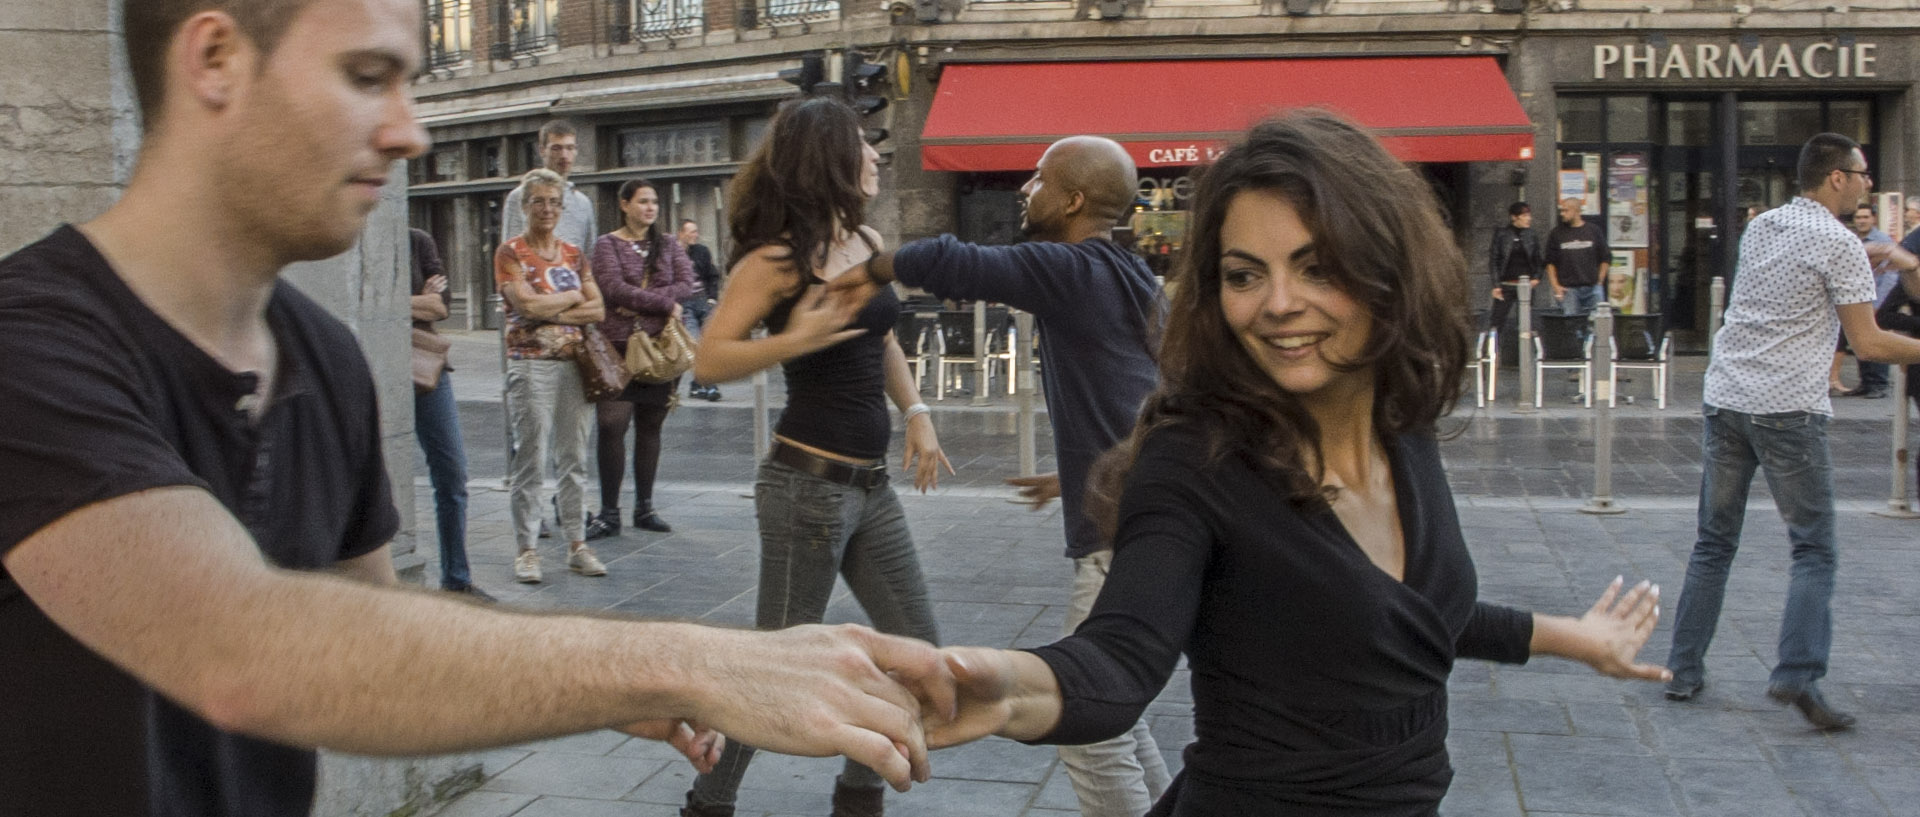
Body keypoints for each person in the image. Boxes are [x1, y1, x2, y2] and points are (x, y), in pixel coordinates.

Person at [0, 2, 955, 815]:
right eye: (368, 76)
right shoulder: (31, 342)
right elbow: (240, 647)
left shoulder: (324, 354)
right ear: (214, 59)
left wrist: (581, 686)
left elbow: (368, 637)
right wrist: (681, 665)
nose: (410, 129)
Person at [918, 112, 1669, 817]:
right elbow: (1120, 655)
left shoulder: (1399, 427)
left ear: (1388, 270)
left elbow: (1395, 614)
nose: (1278, 302)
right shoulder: (1193, 457)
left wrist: (1576, 638)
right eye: (1244, 275)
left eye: (1316, 268)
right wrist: (1007, 690)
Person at [850, 136, 1170, 817]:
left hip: (1122, 536)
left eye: (1038, 178)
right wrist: (1083, 469)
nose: (1026, 188)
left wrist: (862, 269)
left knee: (1085, 722)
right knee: (1115, 702)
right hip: (1146, 513)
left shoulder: (1072, 267)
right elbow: (1158, 395)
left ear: (1074, 200)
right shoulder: (1130, 273)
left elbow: (953, 263)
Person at [683, 96, 954, 817]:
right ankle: (707, 803)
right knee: (774, 665)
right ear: (830, 158)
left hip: (870, 488)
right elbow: (709, 358)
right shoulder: (776, 258)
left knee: (917, 648)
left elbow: (884, 338)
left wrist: (918, 415)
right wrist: (792, 342)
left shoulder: (864, 238)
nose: (874, 155)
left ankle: (859, 794)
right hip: (806, 487)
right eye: (863, 144)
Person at [1664, 132, 1920, 730]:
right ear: (1836, 177)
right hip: (1786, 409)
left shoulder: (1766, 226)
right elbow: (1869, 343)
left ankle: (1683, 669)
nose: (1866, 184)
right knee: (1813, 548)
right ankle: (1797, 675)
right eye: (1861, 174)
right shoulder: (1840, 243)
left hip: (1727, 396)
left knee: (1713, 542)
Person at [588, 179, 694, 540]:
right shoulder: (606, 245)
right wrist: (664, 303)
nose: (650, 208)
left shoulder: (668, 245)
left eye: (654, 202)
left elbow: (688, 284)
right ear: (624, 204)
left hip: (660, 349)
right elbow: (612, 287)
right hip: (617, 348)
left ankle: (645, 507)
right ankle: (609, 512)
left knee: (651, 427)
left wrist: (641, 300)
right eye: (642, 201)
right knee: (611, 425)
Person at [410, 227, 492, 601]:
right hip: (372, 366)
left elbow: (440, 307)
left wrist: (392, 303)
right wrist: (416, 301)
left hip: (425, 365)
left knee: (452, 472)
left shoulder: (418, 240)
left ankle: (456, 579)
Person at [503, 119, 595, 253]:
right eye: (556, 148)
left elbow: (589, 255)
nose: (564, 155)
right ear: (542, 150)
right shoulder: (520, 196)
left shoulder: (582, 203)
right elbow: (510, 251)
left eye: (569, 148)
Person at [1834, 203, 1897, 398]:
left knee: (1877, 340)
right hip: (1859, 300)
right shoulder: (1854, 239)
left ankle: (1879, 384)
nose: (1861, 221)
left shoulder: (1881, 241)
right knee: (1860, 340)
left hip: (1876, 300)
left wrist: (1880, 304)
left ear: (1873, 219)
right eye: (1858, 217)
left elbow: (1891, 275)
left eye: (1865, 217)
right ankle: (1867, 383)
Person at [680, 218, 725, 401]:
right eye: (691, 231)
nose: (695, 235)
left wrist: (712, 298)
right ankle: (710, 385)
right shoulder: (673, 253)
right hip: (684, 304)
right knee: (696, 344)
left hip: (702, 301)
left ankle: (696, 386)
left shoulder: (702, 251)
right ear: (681, 233)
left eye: (696, 231)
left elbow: (712, 275)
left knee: (710, 343)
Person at [1484, 201, 1541, 337]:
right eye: (1524, 215)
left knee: (1526, 322)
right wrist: (1496, 285)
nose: (1528, 218)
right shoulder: (1502, 234)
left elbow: (1538, 259)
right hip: (1506, 284)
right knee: (1497, 320)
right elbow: (1494, 260)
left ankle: (1525, 354)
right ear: (1514, 217)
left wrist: (1537, 277)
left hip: (1526, 283)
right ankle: (1494, 352)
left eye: (1529, 215)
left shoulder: (1531, 235)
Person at [1544, 197, 1609, 317]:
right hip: (1569, 289)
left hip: (1592, 287)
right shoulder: (1556, 233)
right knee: (1571, 325)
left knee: (1598, 324)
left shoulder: (1594, 231)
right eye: (1561, 210)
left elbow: (1605, 258)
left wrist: (1599, 281)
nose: (1562, 214)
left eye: (1566, 210)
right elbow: (1550, 263)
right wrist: (1556, 286)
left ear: (1576, 211)